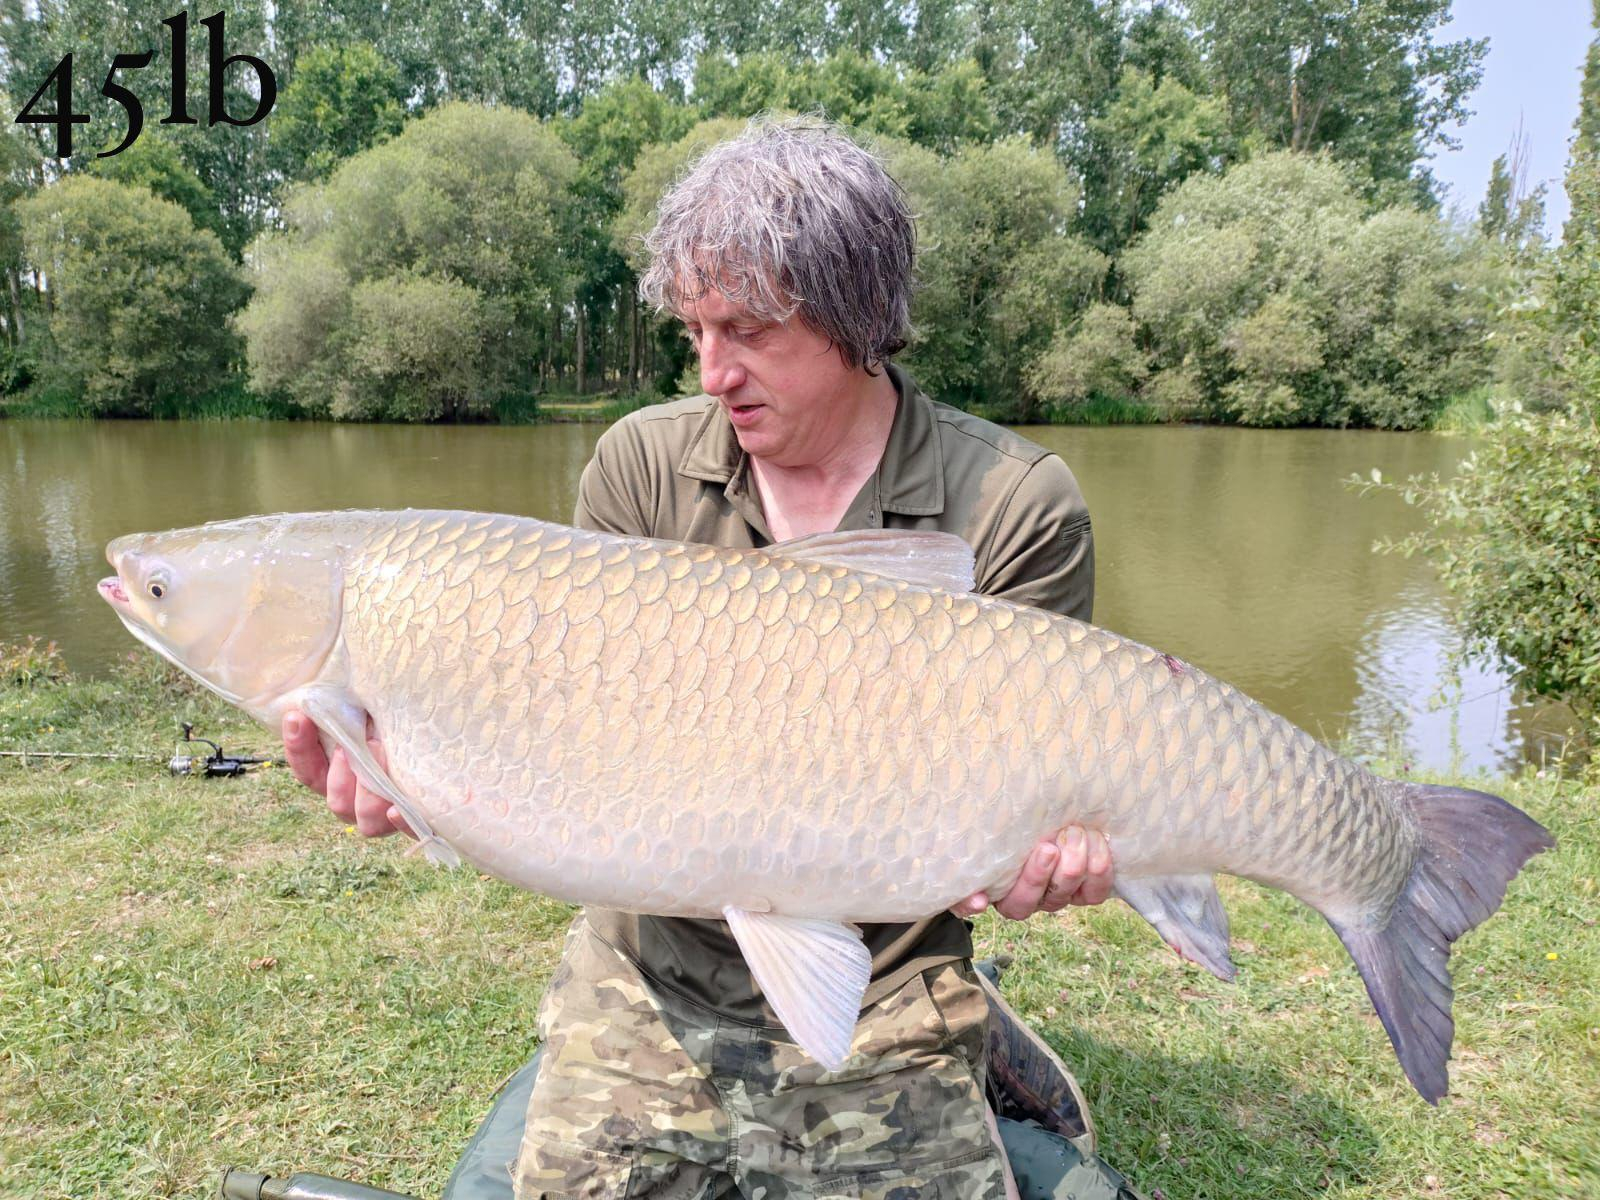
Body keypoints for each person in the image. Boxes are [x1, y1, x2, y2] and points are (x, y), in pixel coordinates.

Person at [281, 116, 1122, 1199]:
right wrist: (417, 776)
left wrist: (1050, 854)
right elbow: (574, 741)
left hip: (885, 978)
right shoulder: (638, 465)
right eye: (693, 331)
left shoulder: (1014, 503)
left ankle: (974, 1026)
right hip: (654, 971)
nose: (712, 372)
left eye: (748, 332)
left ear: (859, 318)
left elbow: (1036, 787)